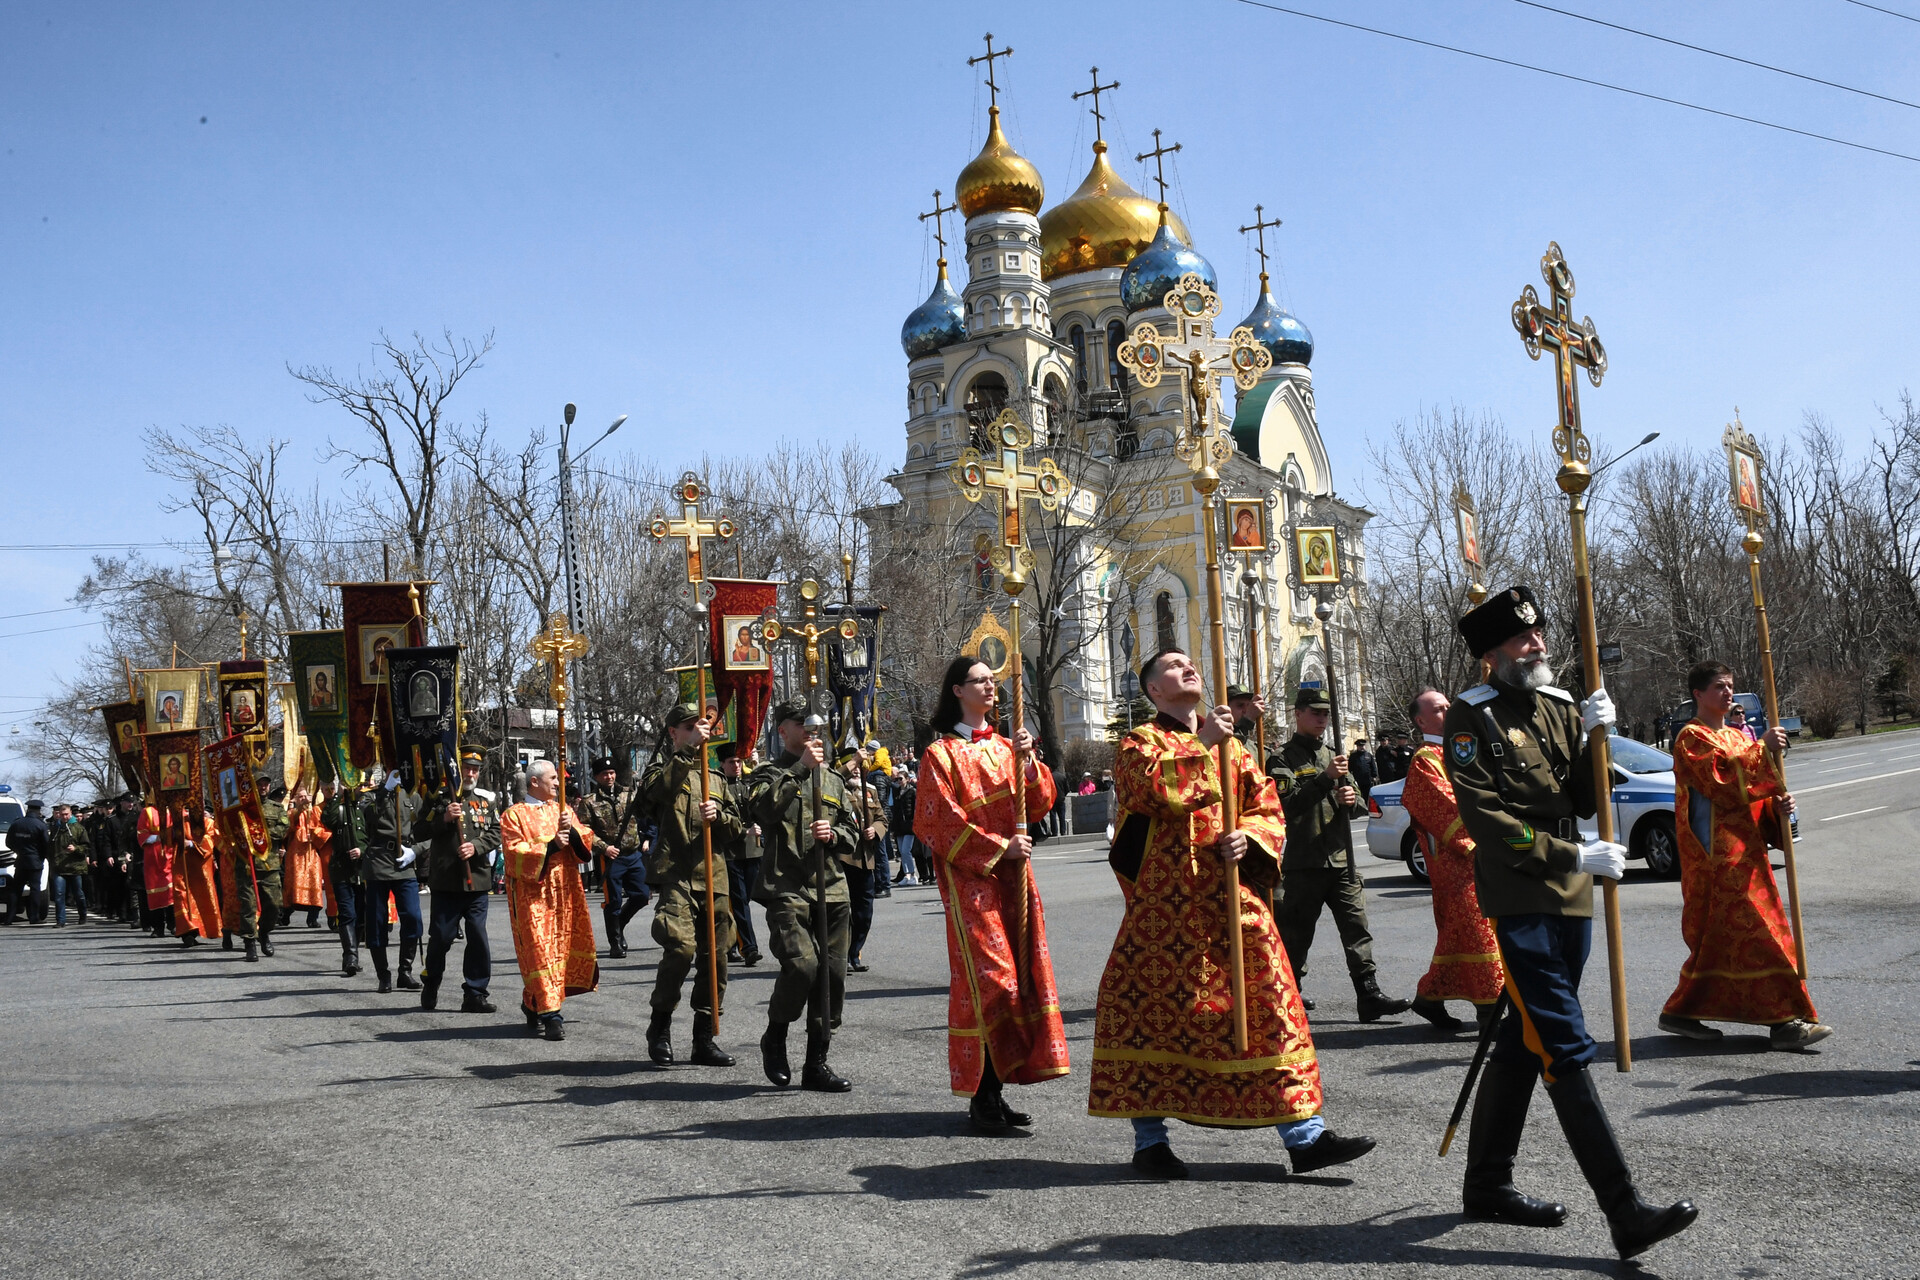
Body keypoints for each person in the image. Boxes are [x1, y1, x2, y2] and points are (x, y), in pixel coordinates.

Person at [1444, 585, 1695, 1259]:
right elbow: (1488, 822)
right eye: (1525, 639)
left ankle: (1487, 1183)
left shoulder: (1559, 706)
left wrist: (1595, 737)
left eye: (1540, 634)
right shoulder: (1471, 718)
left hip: (1573, 895)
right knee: (1560, 1041)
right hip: (1522, 893)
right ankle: (1624, 1210)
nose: (1540, 644)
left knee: (1524, 1041)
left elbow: (1585, 795)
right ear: (1493, 654)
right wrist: (1571, 852)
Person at [1091, 648, 1374, 1179]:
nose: (1188, 667)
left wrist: (1253, 838)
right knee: (1149, 1017)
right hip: (1164, 914)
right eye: (1172, 666)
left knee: (1269, 1005)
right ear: (1153, 690)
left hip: (1233, 901)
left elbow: (1266, 805)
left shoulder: (1237, 749)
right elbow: (1150, 792)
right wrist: (1204, 744)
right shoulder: (1141, 742)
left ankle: (1305, 1136)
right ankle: (1150, 1141)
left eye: (1190, 661)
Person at [914, 655, 1068, 1132]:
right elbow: (935, 822)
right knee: (992, 981)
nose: (990, 687)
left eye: (993, 681)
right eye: (979, 681)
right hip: (972, 882)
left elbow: (1041, 803)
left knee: (1021, 979)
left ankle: (998, 1088)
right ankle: (981, 1094)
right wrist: (1001, 848)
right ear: (957, 690)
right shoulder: (939, 755)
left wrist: (1029, 762)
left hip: (1015, 880)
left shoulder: (1005, 746)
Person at [1659, 660, 1829, 1050]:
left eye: (1731, 685)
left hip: (1747, 853)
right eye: (1719, 687)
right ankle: (1785, 1022)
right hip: (1716, 859)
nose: (1728, 692)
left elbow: (1754, 793)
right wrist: (1763, 748)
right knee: (1761, 934)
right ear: (1698, 694)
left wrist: (1777, 808)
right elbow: (1721, 782)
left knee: (1719, 942)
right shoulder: (1690, 738)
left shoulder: (1737, 737)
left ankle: (1681, 1011)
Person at [1272, 688, 1410, 1021]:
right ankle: (1287, 998)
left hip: (1341, 860)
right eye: (1315, 713)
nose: (1321, 719)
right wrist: (1324, 780)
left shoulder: (1335, 755)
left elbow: (1360, 805)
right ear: (1299, 713)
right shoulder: (1282, 759)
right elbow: (1285, 806)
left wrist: (1351, 798)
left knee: (1357, 929)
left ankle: (1369, 995)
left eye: (1325, 715)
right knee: (1295, 936)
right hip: (1305, 863)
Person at [748, 701, 860, 1091]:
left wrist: (836, 834)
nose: (813, 731)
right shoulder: (769, 772)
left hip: (831, 887)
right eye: (802, 724)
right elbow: (763, 811)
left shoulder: (831, 779)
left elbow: (853, 830)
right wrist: (799, 771)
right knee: (802, 966)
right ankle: (775, 1034)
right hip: (787, 887)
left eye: (816, 725)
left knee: (831, 976)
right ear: (784, 731)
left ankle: (817, 1062)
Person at [638, 704, 741, 1066]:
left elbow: (736, 828)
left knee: (716, 962)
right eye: (689, 726)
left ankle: (704, 1037)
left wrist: (720, 816)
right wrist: (686, 751)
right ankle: (660, 1024)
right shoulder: (659, 771)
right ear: (673, 733)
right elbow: (659, 794)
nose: (699, 731)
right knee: (680, 949)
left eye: (701, 726)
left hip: (713, 875)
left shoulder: (715, 777)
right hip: (677, 874)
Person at [1401, 688, 1504, 1031]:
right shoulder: (1425, 759)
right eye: (1440, 709)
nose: (1449, 712)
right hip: (1456, 863)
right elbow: (1442, 807)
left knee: (1460, 933)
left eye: (1450, 706)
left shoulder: (1463, 749)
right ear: (1421, 719)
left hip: (1483, 858)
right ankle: (1489, 1010)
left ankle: (1429, 997)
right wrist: (1484, 837)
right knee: (1476, 932)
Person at [500, 759, 599, 1041]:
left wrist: (574, 830)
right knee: (540, 951)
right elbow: (514, 853)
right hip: (533, 895)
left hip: (565, 892)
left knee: (561, 950)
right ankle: (551, 1015)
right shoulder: (514, 815)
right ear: (535, 782)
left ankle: (534, 1001)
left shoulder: (562, 810)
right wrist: (553, 844)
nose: (558, 783)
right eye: (553, 778)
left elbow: (585, 844)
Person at [416, 765, 502, 1013]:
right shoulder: (437, 798)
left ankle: (475, 993)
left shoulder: (487, 800)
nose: (471, 775)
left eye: (475, 770)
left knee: (477, 934)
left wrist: (476, 846)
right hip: (446, 881)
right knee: (442, 937)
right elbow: (419, 830)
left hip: (476, 880)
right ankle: (431, 980)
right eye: (466, 769)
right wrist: (442, 820)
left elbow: (497, 831)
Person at [350, 772, 424, 992]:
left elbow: (428, 829)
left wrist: (416, 851)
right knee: (377, 922)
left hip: (404, 863)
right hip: (378, 863)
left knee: (412, 917)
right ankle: (383, 974)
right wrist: (386, 791)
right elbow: (367, 817)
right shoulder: (370, 796)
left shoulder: (415, 796)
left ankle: (405, 971)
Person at [577, 753, 649, 959]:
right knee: (613, 901)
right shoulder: (589, 802)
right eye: (604, 774)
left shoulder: (629, 795)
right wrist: (603, 847)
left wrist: (648, 838)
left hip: (633, 854)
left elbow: (646, 815)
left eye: (612, 773)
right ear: (597, 777)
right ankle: (615, 941)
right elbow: (584, 830)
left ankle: (620, 923)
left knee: (642, 895)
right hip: (610, 857)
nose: (609, 777)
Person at [841, 750, 887, 972]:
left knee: (864, 911)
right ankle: (843, 955)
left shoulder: (870, 790)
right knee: (842, 911)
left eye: (860, 767)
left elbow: (882, 818)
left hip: (865, 859)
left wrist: (875, 830)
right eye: (853, 766)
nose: (856, 771)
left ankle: (854, 951)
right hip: (842, 858)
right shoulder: (836, 788)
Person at [719, 747, 763, 967]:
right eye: (731, 762)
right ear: (723, 765)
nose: (736, 766)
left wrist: (757, 764)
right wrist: (745, 831)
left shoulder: (748, 783)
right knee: (739, 902)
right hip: (731, 852)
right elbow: (721, 819)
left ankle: (730, 943)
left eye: (738, 761)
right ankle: (750, 947)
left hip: (753, 850)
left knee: (744, 900)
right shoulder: (718, 787)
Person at [320, 780, 367, 976]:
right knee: (347, 913)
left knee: (361, 915)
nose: (356, 788)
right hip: (341, 869)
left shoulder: (366, 807)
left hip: (362, 870)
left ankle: (353, 952)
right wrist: (338, 794)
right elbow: (326, 820)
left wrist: (363, 850)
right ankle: (350, 957)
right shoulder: (337, 807)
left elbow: (376, 835)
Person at [281, 785, 329, 928]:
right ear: (295, 798)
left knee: (314, 883)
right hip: (295, 855)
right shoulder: (291, 813)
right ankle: (285, 915)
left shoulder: (315, 812)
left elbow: (321, 829)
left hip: (311, 855)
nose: (303, 799)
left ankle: (312, 917)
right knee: (293, 884)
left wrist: (314, 835)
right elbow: (287, 829)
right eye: (299, 796)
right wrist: (297, 811)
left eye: (305, 796)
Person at [5, 799, 51, 925]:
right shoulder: (40, 825)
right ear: (38, 811)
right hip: (35, 861)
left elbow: (8, 842)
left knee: (16, 890)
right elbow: (46, 845)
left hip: (20, 860)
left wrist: (19, 851)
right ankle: (34, 917)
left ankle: (9, 917)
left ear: (28, 809)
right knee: (35, 889)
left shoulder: (16, 824)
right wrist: (41, 856)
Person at [49, 803, 91, 926]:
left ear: (70, 814)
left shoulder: (78, 828)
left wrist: (76, 848)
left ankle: (82, 914)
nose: (64, 817)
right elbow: (50, 847)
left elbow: (86, 847)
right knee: (59, 894)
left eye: (66, 814)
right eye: (62, 815)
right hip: (59, 867)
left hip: (75, 866)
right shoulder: (55, 829)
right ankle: (60, 920)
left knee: (78, 894)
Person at [1350, 737, 1378, 802]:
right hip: (1357, 780)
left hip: (1367, 780)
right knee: (1358, 795)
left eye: (1363, 745)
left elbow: (1373, 766)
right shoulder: (1353, 756)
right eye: (1360, 746)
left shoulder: (1369, 755)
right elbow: (1350, 768)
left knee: (1367, 796)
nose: (1362, 747)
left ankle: (1367, 809)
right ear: (1357, 746)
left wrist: (1374, 776)